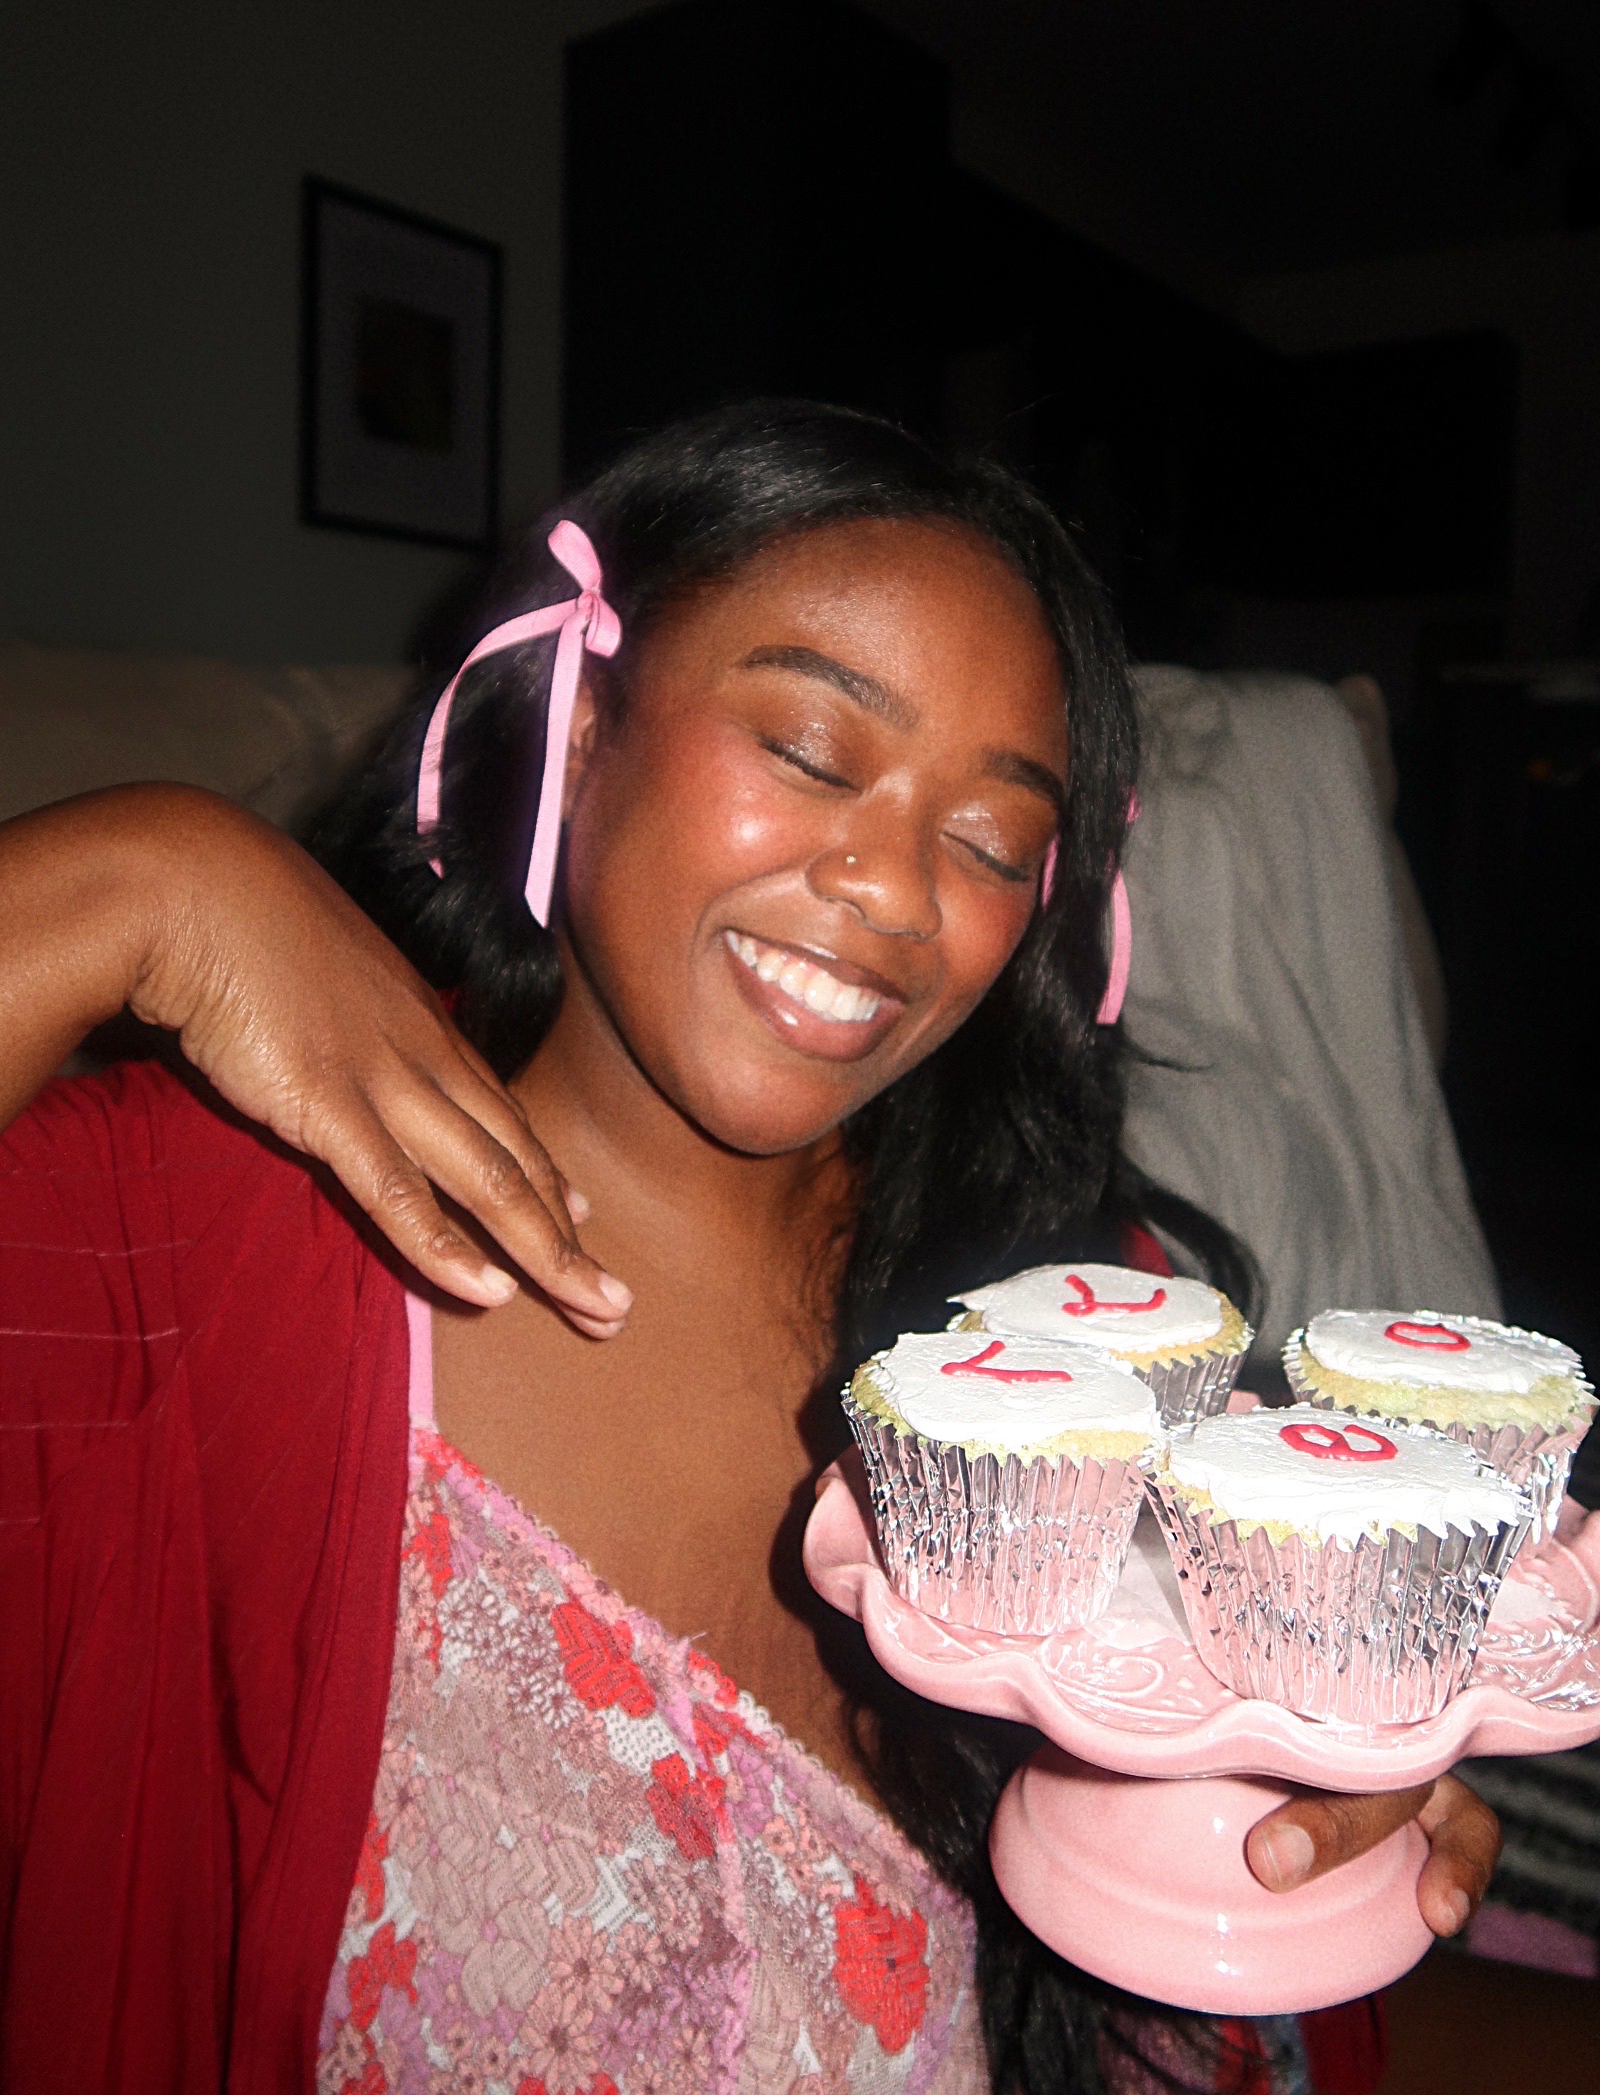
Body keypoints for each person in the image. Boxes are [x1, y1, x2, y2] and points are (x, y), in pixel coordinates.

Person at [0, 403, 1498, 2094]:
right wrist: (139, 877)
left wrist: (1296, 1816)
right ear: (576, 730)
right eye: (809, 748)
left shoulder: (1083, 1328)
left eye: (993, 841)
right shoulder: (222, 1234)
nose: (897, 891)